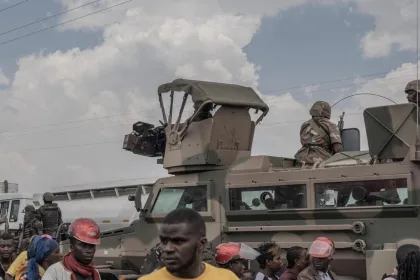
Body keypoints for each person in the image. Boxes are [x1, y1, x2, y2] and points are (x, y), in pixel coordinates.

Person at [138, 207, 239, 280]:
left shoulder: (227, 278)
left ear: (201, 244)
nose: (167, 249)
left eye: (179, 241)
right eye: (164, 241)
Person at [294, 101, 343, 165]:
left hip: (301, 160)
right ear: (327, 112)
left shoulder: (304, 125)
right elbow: (337, 149)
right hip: (322, 161)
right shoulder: (330, 125)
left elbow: (303, 143)